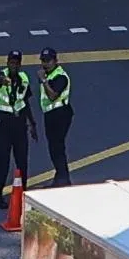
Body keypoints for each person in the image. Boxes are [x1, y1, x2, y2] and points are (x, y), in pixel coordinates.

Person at [0, 51, 34, 209]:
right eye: (11, 62)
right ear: (7, 62)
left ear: (20, 64)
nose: (13, 65)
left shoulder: (24, 78)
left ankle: (22, 193)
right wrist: (5, 81)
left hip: (19, 125)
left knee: (22, 162)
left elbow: (25, 102)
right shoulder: (1, 76)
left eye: (16, 63)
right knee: (3, 162)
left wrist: (32, 124)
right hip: (3, 125)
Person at [37, 46, 75, 186]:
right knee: (54, 148)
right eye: (43, 61)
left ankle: (63, 179)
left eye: (48, 61)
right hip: (50, 114)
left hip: (60, 114)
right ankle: (61, 177)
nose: (45, 64)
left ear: (55, 61)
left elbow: (53, 95)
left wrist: (43, 81)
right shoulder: (49, 75)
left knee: (57, 147)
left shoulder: (60, 76)